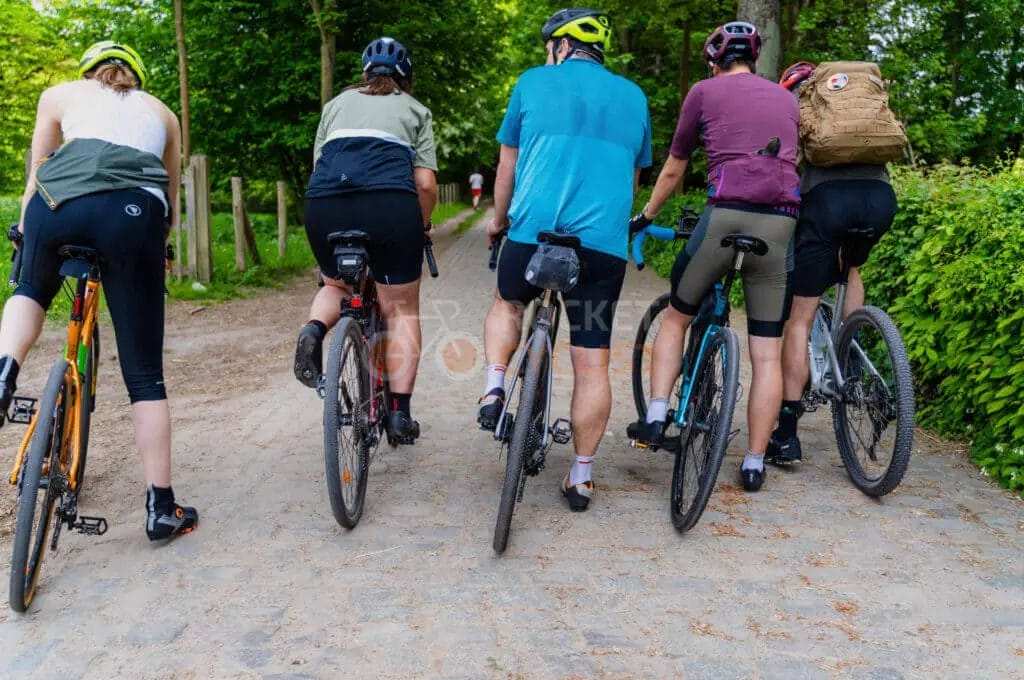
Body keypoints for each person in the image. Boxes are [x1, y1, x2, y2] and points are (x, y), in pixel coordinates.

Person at [0, 41, 197, 540]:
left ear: (88, 72)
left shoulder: (60, 94)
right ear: (137, 77)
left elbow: (36, 174)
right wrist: (157, 250)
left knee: (29, 290)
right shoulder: (164, 115)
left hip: (58, 204)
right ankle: (161, 508)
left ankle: (4, 374)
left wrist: (28, 235)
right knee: (145, 376)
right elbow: (170, 201)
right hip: (133, 215)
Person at [478, 8, 652, 512]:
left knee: (508, 302)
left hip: (532, 236)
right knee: (592, 362)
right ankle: (581, 476)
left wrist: (498, 220)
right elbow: (632, 180)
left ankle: (493, 388)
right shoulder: (634, 97)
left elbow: (507, 162)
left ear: (559, 46)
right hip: (600, 250)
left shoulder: (532, 83)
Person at [626, 21, 800, 493]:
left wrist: (644, 216)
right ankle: (754, 462)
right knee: (767, 353)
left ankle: (658, 415)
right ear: (755, 58)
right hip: (781, 221)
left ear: (713, 59)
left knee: (679, 316)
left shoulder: (703, 91)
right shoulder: (787, 99)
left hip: (724, 217)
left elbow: (675, 166)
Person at [296, 37, 437, 445]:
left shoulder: (335, 106)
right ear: (405, 78)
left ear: (364, 73)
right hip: (389, 206)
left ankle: (312, 331)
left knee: (335, 284)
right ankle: (399, 415)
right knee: (402, 309)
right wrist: (422, 223)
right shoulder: (416, 110)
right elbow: (425, 182)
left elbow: (317, 164)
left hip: (324, 203)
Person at [767, 61, 898, 465]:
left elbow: (782, 161)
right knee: (850, 269)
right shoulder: (863, 97)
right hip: (880, 200)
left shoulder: (798, 100)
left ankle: (787, 434)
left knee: (799, 319)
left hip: (827, 202)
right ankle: (849, 351)